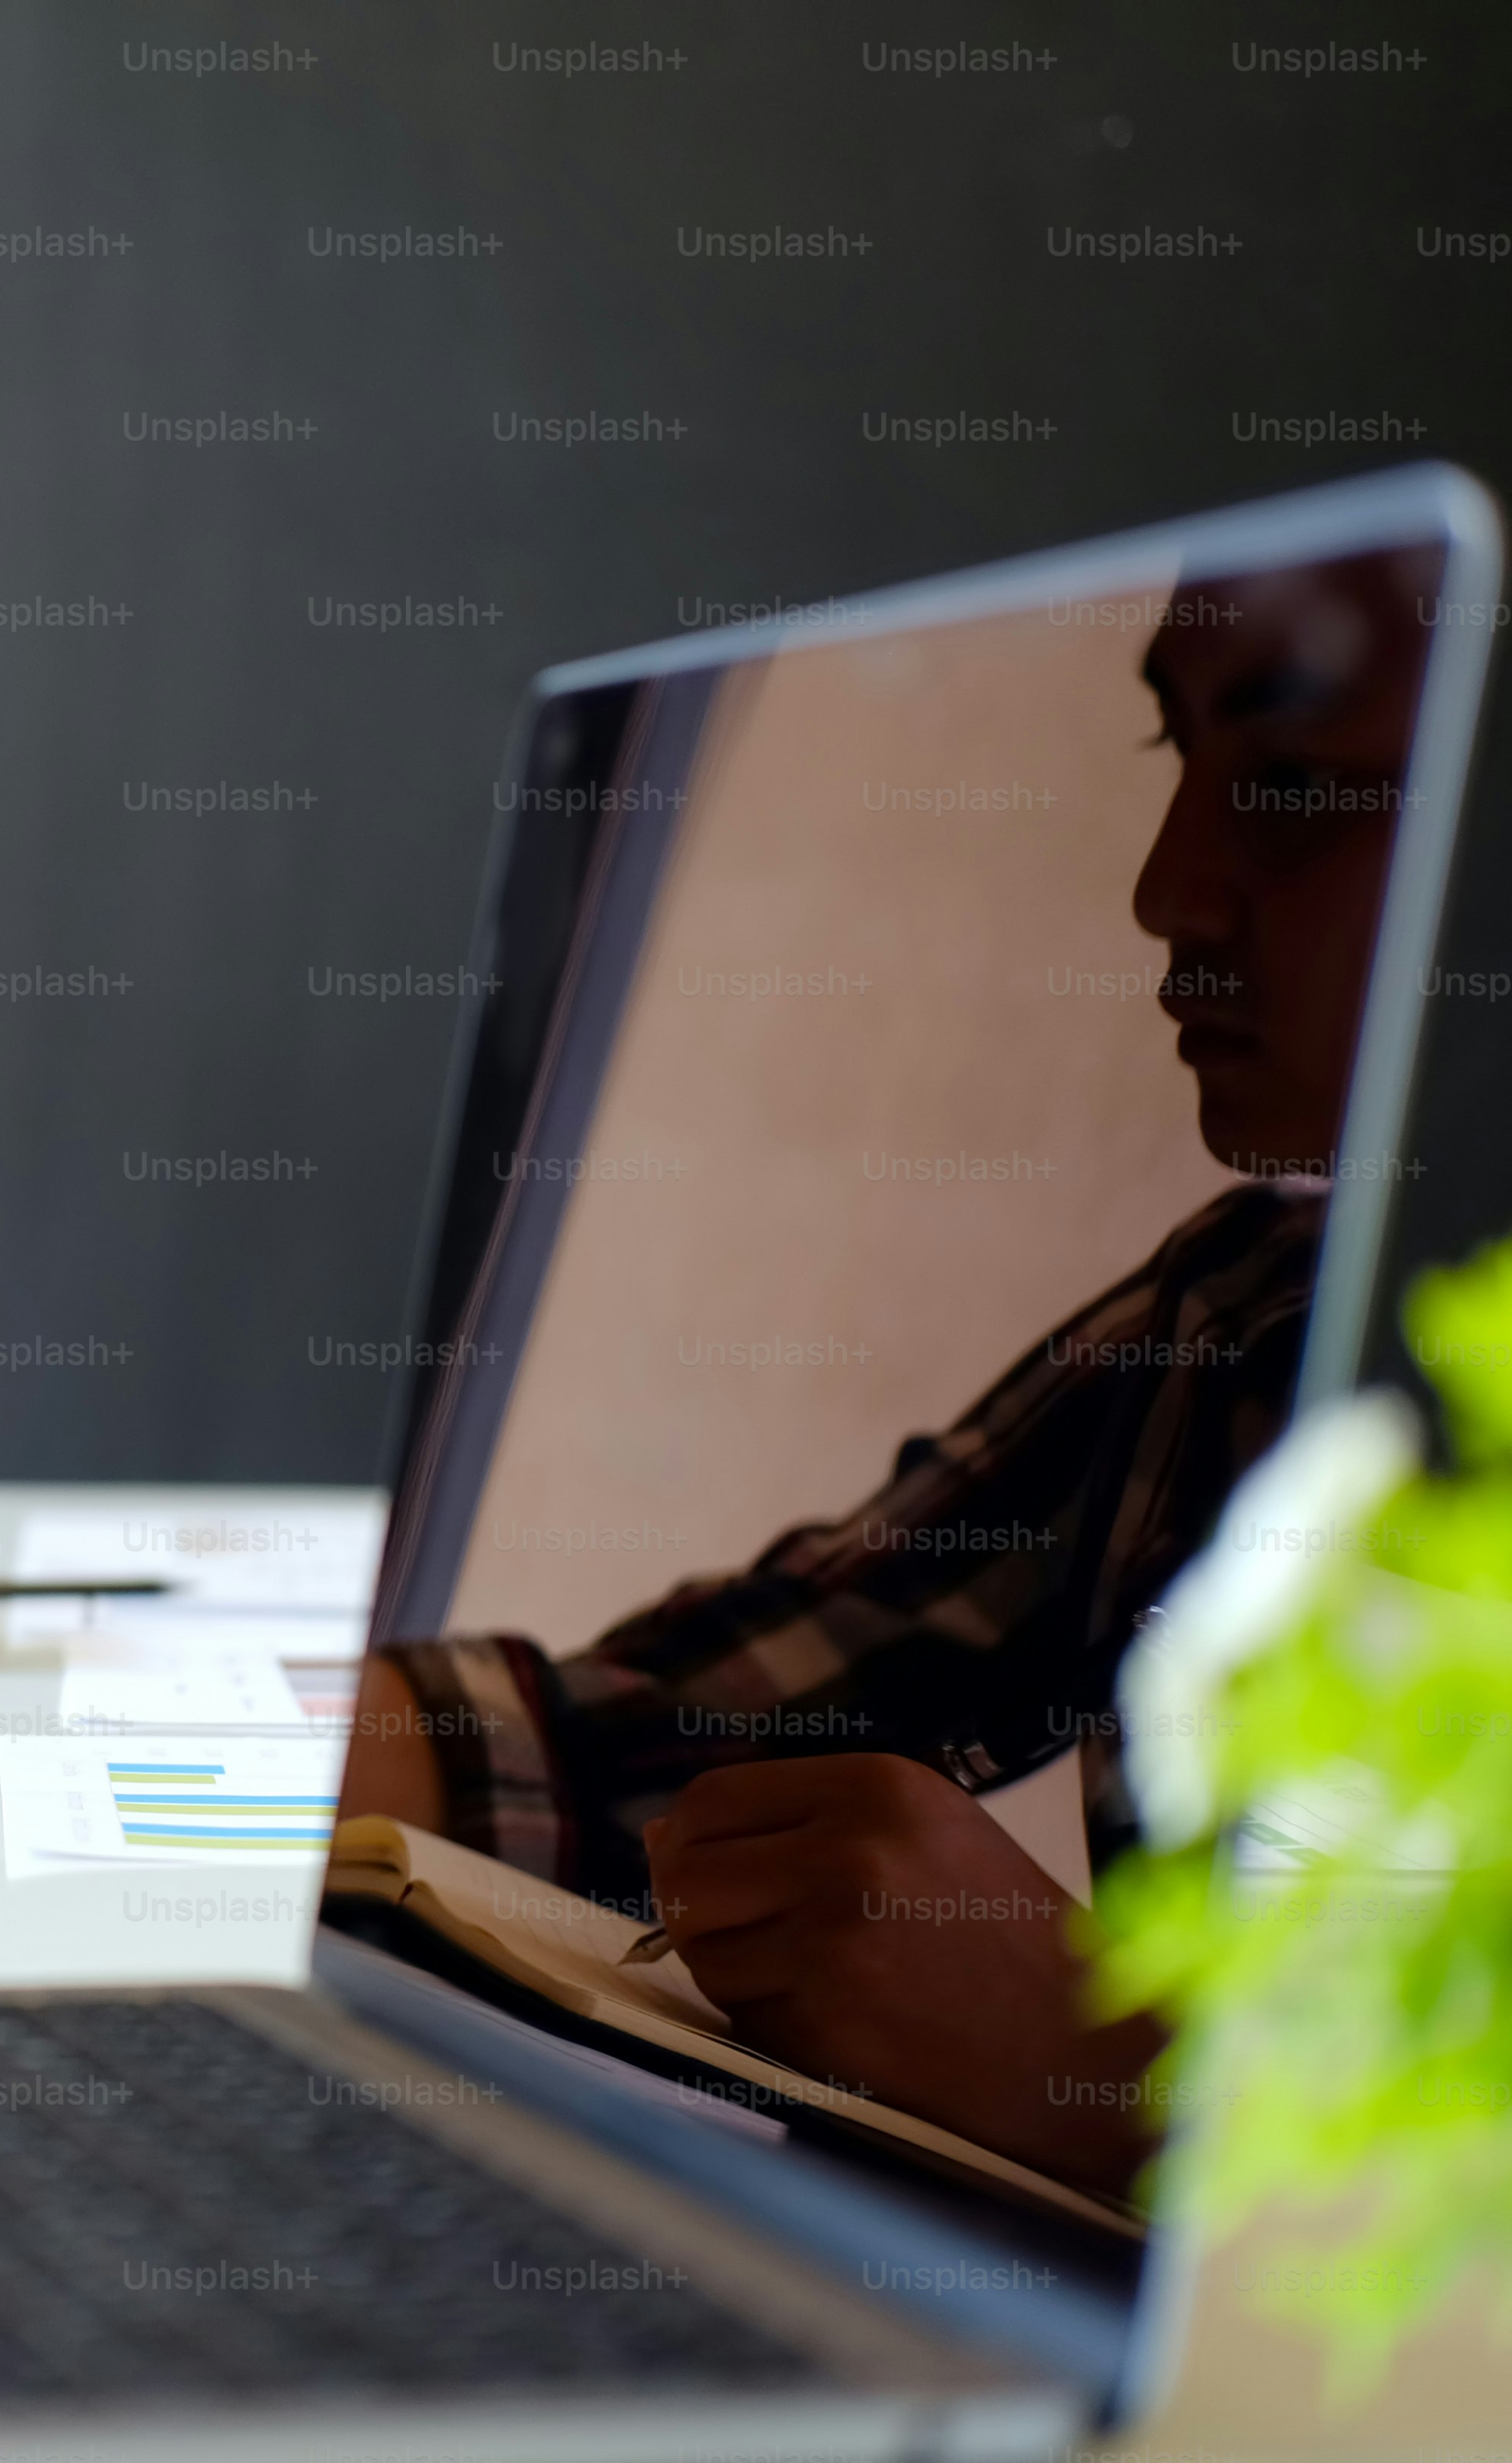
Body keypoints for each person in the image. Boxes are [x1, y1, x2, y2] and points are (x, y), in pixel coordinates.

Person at [340, 545, 1434, 2199]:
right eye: (1179, 759)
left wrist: (1119, 2079)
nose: (1169, 887)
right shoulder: (1254, 1311)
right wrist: (142, 1725)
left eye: (1292, 783)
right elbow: (672, 1727)